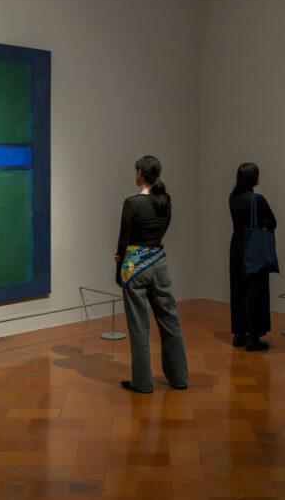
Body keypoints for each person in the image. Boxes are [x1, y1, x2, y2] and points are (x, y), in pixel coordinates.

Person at [114, 155, 188, 393]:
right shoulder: (165, 200)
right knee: (169, 321)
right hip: (159, 263)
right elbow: (161, 231)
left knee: (139, 327)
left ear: (140, 173)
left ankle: (143, 383)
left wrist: (118, 271)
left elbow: (124, 240)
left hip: (135, 267)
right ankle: (179, 379)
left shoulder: (132, 202)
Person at [229, 162, 277, 351]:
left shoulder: (232, 197)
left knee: (238, 288)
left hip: (237, 244)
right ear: (253, 178)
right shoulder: (258, 199)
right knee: (255, 290)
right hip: (253, 246)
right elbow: (272, 222)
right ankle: (253, 338)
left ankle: (239, 335)